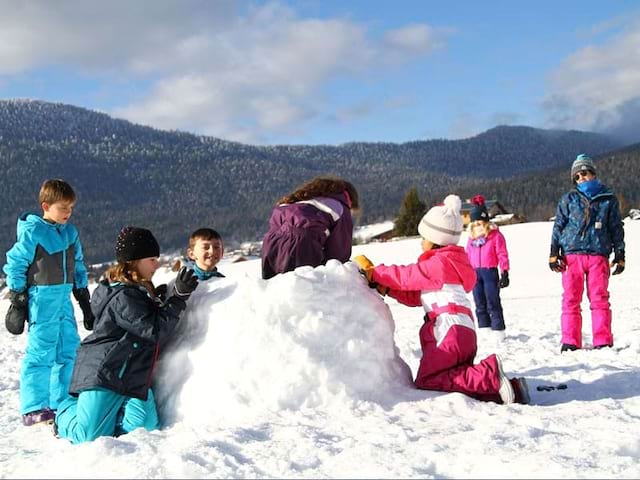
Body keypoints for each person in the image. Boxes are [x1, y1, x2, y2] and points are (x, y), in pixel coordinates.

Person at [354, 195, 529, 404]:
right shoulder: (450, 265)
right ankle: (506, 390)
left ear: (436, 239)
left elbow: (406, 276)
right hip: (465, 331)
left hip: (448, 331)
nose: (421, 243)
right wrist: (386, 288)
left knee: (429, 380)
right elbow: (415, 295)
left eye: (424, 237)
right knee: (455, 376)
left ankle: (488, 374)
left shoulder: (438, 264)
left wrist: (375, 273)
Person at [54, 226, 199, 444]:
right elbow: (154, 330)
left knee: (146, 430)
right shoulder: (124, 296)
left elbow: (143, 321)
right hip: (107, 374)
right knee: (87, 436)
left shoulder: (136, 291)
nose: (156, 264)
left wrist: (158, 301)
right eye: (151, 259)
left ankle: (108, 417)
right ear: (135, 261)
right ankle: (64, 413)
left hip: (131, 376)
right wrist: (178, 298)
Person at [3, 179, 93, 426]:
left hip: (63, 297)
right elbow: (15, 263)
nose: (68, 213)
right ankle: (33, 407)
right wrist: (18, 298)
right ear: (46, 205)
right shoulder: (34, 232)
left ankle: (61, 401)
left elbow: (78, 264)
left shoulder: (70, 233)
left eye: (71, 208)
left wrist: (83, 298)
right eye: (63, 208)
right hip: (41, 299)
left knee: (69, 349)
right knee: (41, 351)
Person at [549, 154, 625, 353]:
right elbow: (558, 225)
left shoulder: (608, 199)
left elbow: (616, 227)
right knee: (571, 299)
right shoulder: (569, 199)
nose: (582, 177)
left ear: (593, 174)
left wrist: (620, 253)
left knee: (600, 298)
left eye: (585, 173)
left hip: (598, 255)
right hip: (571, 256)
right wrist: (553, 252)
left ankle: (603, 340)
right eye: (578, 175)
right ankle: (570, 341)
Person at [261, 176, 359, 280]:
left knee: (273, 289)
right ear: (349, 198)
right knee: (304, 290)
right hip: (303, 243)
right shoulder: (340, 207)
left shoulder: (296, 201)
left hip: (271, 243)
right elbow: (338, 252)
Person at [465, 195, 510, 338]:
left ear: (485, 222)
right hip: (474, 273)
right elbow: (466, 256)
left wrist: (504, 271)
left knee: (492, 300)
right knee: (479, 301)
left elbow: (502, 254)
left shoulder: (495, 236)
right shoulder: (471, 240)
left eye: (480, 222)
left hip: (490, 272)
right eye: (475, 223)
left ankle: (498, 329)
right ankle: (484, 327)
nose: (478, 225)